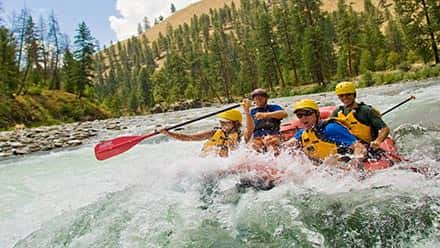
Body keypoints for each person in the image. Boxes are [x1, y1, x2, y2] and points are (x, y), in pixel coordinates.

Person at [287, 99, 367, 166]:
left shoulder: (331, 128)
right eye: (299, 115)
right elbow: (288, 145)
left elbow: (359, 146)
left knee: (331, 161)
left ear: (317, 114)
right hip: (324, 169)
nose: (304, 118)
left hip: (344, 164)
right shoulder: (302, 133)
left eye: (307, 113)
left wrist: (355, 163)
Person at [160, 109, 242, 157]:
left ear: (235, 124)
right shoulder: (213, 133)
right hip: (204, 161)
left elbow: (232, 156)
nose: (222, 125)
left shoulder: (239, 138)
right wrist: (168, 133)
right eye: (221, 122)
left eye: (225, 122)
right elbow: (189, 138)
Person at [331, 81, 390, 150]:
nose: (345, 97)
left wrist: (377, 141)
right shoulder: (338, 112)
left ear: (354, 95)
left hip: (368, 146)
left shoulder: (366, 111)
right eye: (341, 96)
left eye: (348, 94)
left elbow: (385, 129)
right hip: (351, 146)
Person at [242, 88, 288, 155]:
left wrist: (265, 115)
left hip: (273, 135)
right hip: (258, 138)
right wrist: (246, 111)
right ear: (254, 100)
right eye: (256, 97)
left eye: (261, 96)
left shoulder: (273, 107)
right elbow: (249, 128)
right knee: (253, 147)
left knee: (272, 145)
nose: (258, 98)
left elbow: (284, 114)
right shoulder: (252, 112)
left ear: (266, 98)